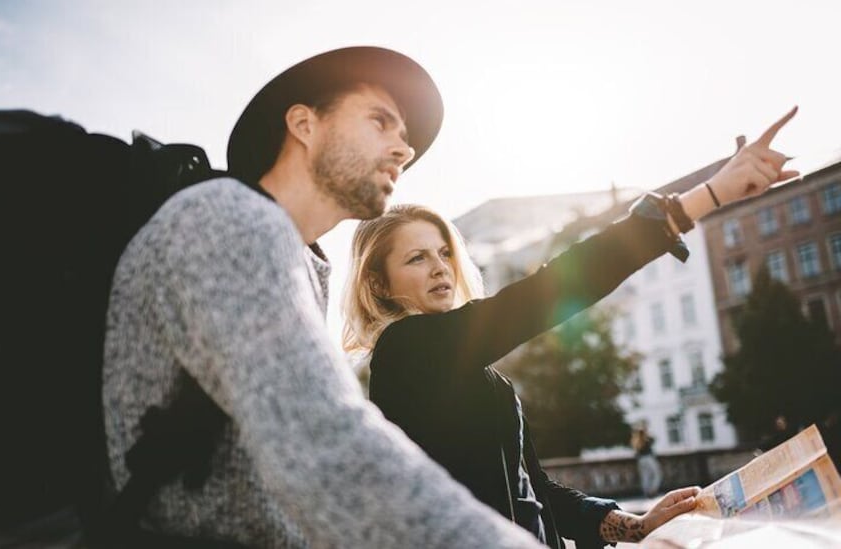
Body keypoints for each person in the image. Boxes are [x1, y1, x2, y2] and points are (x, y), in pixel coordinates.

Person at [103, 47, 549, 548]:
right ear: (304, 124)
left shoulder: (296, 258)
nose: (404, 150)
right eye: (381, 122)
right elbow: (323, 443)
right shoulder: (226, 220)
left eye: (406, 139)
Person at [342, 108, 799, 548]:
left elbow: (535, 491)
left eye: (444, 252)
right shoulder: (405, 349)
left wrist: (635, 525)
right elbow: (541, 296)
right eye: (416, 258)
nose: (440, 268)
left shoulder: (476, 373)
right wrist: (706, 197)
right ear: (380, 282)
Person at [631, 425, 663, 498]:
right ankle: (653, 491)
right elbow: (654, 439)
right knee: (657, 474)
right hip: (648, 458)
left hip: (640, 460)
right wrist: (648, 433)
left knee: (645, 476)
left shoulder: (636, 440)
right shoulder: (646, 439)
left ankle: (646, 492)